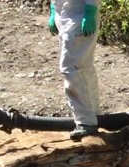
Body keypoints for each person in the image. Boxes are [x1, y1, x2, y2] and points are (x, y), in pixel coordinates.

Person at [48, 1, 101, 140]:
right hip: (65, 16)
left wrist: (90, 10)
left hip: (81, 16)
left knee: (71, 69)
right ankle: (95, 114)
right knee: (84, 67)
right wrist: (53, 9)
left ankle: (86, 122)